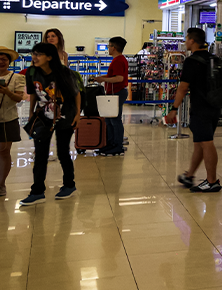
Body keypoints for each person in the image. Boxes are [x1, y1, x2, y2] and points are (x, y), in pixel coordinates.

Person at [20, 42, 81, 205]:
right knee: (40, 154)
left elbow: (76, 94)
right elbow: (33, 93)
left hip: (65, 115)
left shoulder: (64, 73)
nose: (34, 57)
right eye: (34, 54)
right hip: (43, 116)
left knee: (62, 152)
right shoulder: (32, 72)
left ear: (49, 57)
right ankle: (37, 191)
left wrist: (77, 114)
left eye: (38, 54)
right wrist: (31, 112)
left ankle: (69, 185)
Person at [165, 28, 221, 192]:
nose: (185, 41)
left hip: (201, 107)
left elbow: (183, 88)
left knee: (206, 142)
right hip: (214, 106)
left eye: (187, 38)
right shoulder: (213, 58)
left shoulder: (192, 61)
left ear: (192, 41)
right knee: (199, 143)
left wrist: (174, 108)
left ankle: (212, 181)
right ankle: (189, 175)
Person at [94, 36, 128, 156]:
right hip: (114, 92)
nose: (108, 48)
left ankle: (117, 145)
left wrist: (102, 79)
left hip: (117, 92)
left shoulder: (118, 60)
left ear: (114, 48)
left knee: (114, 119)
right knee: (109, 119)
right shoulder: (118, 60)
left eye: (109, 46)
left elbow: (119, 78)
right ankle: (110, 143)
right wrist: (103, 78)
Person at [0, 46, 27, 199]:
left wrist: (7, 92)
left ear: (9, 62)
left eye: (4, 59)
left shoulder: (17, 78)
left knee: (4, 151)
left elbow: (19, 98)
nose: (1, 62)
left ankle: (1, 183)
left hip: (8, 118)